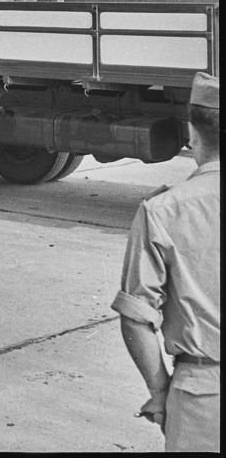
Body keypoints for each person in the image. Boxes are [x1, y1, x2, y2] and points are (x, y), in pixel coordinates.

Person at [112, 72, 219, 452]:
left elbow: (136, 317)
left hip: (202, 399)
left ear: (192, 132)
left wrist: (160, 393)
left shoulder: (162, 211)